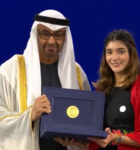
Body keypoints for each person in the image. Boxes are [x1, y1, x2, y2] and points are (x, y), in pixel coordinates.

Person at [0, 9, 90, 150]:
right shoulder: (10, 70)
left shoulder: (76, 72)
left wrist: (83, 140)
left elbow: (85, 120)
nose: (52, 41)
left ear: (65, 38)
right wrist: (30, 115)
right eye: (45, 34)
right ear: (35, 34)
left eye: (58, 35)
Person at [87, 29, 140, 150]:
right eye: (109, 52)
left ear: (131, 55)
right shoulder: (101, 90)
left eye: (120, 52)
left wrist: (117, 138)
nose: (114, 58)